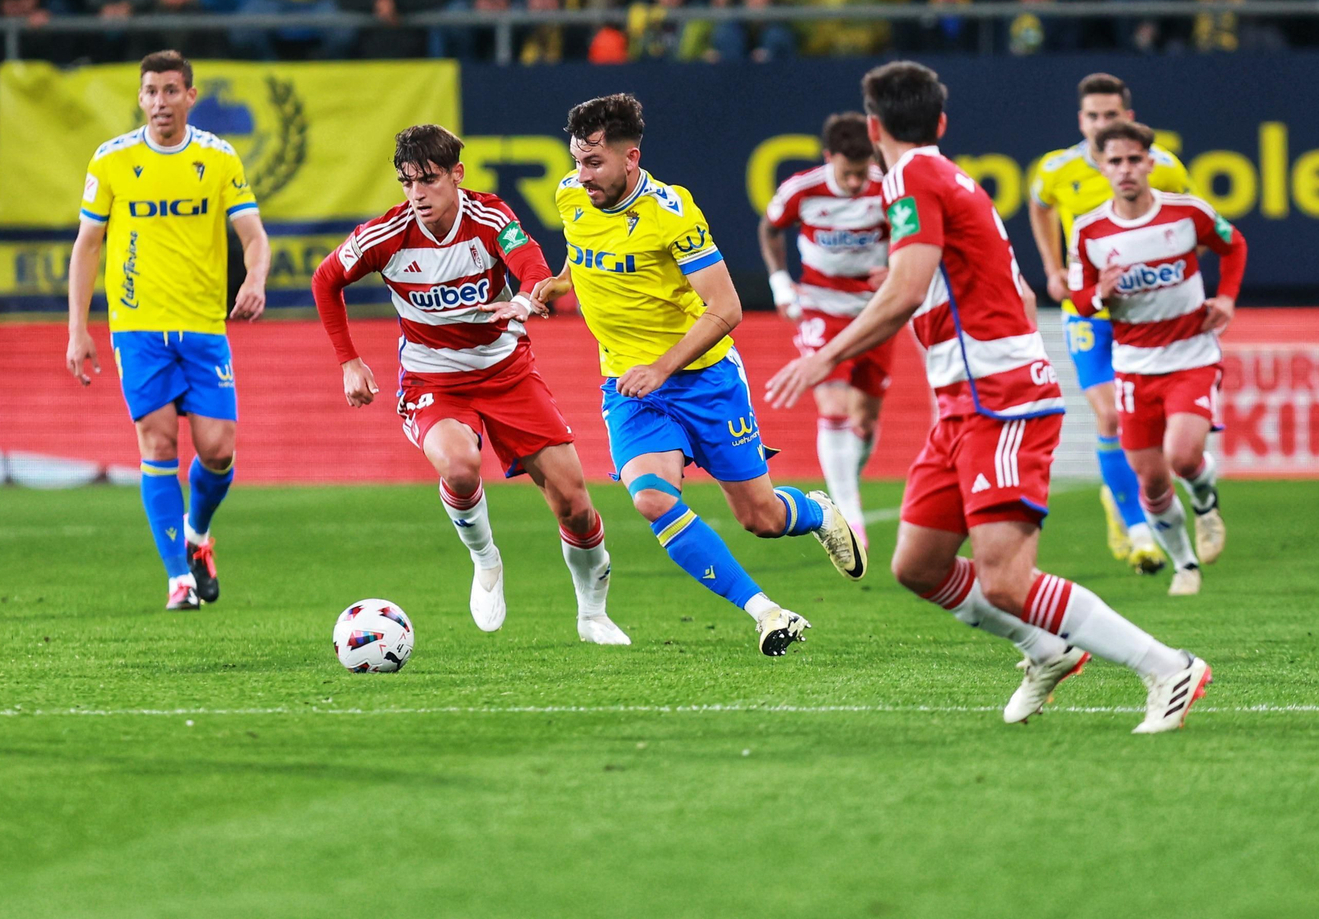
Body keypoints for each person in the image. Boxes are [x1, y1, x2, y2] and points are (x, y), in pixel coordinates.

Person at [766, 61, 1211, 734]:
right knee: (918, 563)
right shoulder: (946, 177)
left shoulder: (914, 178)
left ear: (874, 127)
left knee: (1006, 578)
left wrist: (824, 354)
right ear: (940, 122)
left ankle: (1167, 666)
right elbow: (1016, 289)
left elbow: (908, 288)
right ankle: (1045, 650)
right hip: (963, 401)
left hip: (1000, 400)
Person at [531, 94, 866, 657]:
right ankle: (766, 612)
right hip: (630, 387)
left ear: (630, 158)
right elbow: (582, 248)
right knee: (651, 498)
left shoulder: (672, 212)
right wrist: (562, 283)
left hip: (705, 382)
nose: (580, 174)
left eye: (594, 163)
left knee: (760, 517)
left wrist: (662, 368)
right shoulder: (570, 196)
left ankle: (815, 511)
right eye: (577, 160)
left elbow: (726, 309)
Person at [310, 125, 628, 644]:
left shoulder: (489, 218)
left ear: (457, 175)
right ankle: (486, 559)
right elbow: (326, 280)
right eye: (407, 183)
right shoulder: (385, 235)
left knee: (574, 503)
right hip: (433, 379)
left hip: (507, 372)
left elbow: (531, 265)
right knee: (459, 467)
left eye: (429, 181)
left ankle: (592, 614)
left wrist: (524, 302)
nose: (417, 195)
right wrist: (349, 360)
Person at [64, 50, 271, 612]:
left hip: (204, 327)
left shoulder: (218, 157)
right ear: (140, 98)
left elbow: (253, 234)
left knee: (218, 451)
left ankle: (198, 535)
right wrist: (77, 329)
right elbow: (87, 246)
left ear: (190, 97)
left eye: (171, 91)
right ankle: (178, 577)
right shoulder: (111, 161)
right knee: (157, 442)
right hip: (138, 327)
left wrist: (254, 280)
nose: (161, 102)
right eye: (151, 91)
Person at [1027, 73, 1195, 574]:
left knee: (1147, 424)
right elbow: (1040, 208)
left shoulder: (1160, 166)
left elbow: (1188, 222)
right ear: (1082, 120)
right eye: (1094, 116)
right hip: (1087, 310)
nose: (1103, 124)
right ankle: (1139, 530)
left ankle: (1121, 490)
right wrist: (1053, 267)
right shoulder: (1056, 168)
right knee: (1111, 418)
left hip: (1142, 314)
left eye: (1111, 115)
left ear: (1129, 115)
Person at [1068, 120, 1245, 595]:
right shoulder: (1089, 232)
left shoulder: (1188, 214)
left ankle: (1206, 502)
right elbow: (1079, 301)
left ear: (1149, 162)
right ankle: (1186, 566)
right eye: (1115, 161)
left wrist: (1225, 299)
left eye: (1133, 159)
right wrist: (1096, 294)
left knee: (1183, 457)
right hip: (1133, 366)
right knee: (1150, 481)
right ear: (1101, 167)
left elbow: (1234, 245)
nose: (1125, 169)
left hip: (1191, 355)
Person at [758, 113, 890, 549]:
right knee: (832, 406)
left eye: (862, 171)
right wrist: (781, 283)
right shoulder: (802, 189)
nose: (856, 182)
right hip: (821, 307)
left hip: (875, 314)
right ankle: (849, 514)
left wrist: (891, 269)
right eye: (847, 172)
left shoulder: (887, 187)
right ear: (828, 157)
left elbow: (912, 237)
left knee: (865, 422)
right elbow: (770, 229)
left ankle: (846, 481)